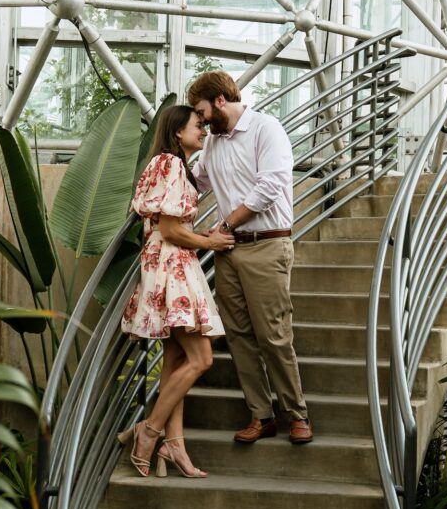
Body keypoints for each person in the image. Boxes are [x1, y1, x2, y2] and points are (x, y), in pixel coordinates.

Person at [187, 70, 313, 445]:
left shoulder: (266, 129)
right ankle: (261, 415)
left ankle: (297, 413)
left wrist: (224, 224)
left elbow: (271, 187)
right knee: (239, 336)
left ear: (220, 100)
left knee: (273, 335)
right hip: (228, 250)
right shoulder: (213, 143)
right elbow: (198, 183)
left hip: (267, 245)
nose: (202, 119)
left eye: (203, 110)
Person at [119, 105, 235, 477]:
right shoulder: (169, 163)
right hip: (171, 264)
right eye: (196, 126)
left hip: (170, 265)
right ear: (177, 131)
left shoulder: (171, 165)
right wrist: (209, 241)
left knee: (173, 363)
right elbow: (169, 229)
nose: (201, 131)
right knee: (201, 359)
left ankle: (175, 445)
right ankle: (149, 431)